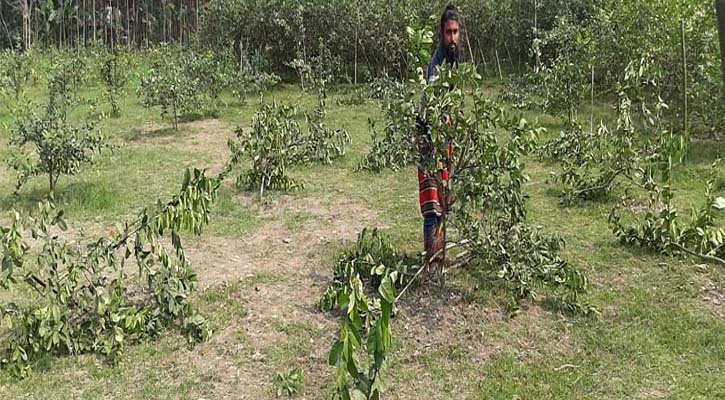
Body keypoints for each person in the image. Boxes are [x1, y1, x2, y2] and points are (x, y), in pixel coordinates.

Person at [417, 4, 460, 277]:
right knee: (433, 203)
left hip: (445, 135)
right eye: (448, 32)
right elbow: (433, 108)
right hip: (430, 135)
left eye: (456, 32)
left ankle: (440, 255)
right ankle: (430, 261)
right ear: (441, 34)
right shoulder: (437, 66)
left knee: (445, 199)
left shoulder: (457, 60)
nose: (452, 37)